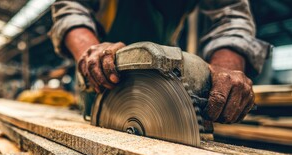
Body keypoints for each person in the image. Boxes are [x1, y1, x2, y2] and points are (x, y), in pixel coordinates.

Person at [49, 0, 271, 123]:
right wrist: (91, 52)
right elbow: (71, 7)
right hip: (103, 71)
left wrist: (227, 68)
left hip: (162, 71)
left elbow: (231, 16)